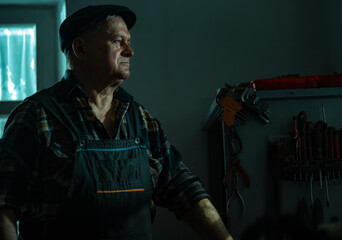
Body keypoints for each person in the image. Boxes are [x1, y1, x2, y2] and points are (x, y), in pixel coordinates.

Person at [0, 5, 233, 240]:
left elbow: (182, 187)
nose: (130, 51)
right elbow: (3, 202)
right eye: (118, 42)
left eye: (129, 42)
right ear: (80, 48)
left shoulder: (141, 120)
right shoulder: (35, 117)